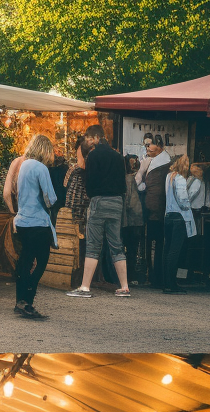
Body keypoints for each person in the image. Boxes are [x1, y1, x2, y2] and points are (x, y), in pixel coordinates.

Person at [66, 125, 132, 299]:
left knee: (93, 244)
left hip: (99, 201)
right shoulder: (118, 157)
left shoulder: (93, 156)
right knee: (116, 244)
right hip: (117, 202)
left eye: (89, 137)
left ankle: (85, 287)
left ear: (96, 137)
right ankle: (124, 286)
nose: (87, 140)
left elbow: (90, 182)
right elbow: (123, 183)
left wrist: (93, 196)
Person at [12, 134, 58, 320]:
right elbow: (50, 198)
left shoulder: (24, 165)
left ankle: (19, 300)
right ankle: (28, 300)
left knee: (25, 260)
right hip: (38, 222)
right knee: (41, 262)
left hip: (23, 220)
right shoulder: (41, 168)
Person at [163, 154, 196, 294]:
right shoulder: (181, 179)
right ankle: (172, 284)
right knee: (176, 251)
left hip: (168, 215)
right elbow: (183, 199)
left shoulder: (169, 176)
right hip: (179, 217)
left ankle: (167, 282)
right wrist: (188, 205)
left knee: (168, 250)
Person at [142, 137, 171, 286]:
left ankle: (155, 276)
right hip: (157, 209)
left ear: (159, 146)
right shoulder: (159, 162)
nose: (147, 148)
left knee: (156, 243)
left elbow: (151, 189)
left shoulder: (160, 164)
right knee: (157, 244)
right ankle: (155, 275)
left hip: (155, 210)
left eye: (150, 145)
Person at [122, 154, 145, 285]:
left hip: (121, 220)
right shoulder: (129, 180)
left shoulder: (118, 178)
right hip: (131, 220)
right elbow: (134, 203)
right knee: (131, 249)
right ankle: (130, 276)